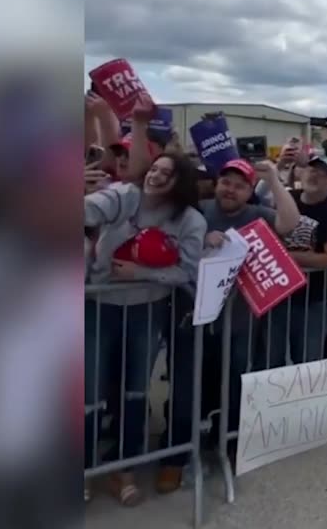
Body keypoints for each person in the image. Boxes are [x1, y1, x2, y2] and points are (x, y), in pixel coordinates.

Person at [155, 158, 296, 493]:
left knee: (234, 388)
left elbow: (290, 223)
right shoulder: (198, 212)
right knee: (187, 390)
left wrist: (274, 179)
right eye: (226, 182)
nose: (231, 189)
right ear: (216, 185)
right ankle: (175, 458)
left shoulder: (257, 217)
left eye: (240, 185)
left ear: (250, 192)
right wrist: (203, 241)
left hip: (238, 324)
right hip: (191, 321)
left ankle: (230, 447)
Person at [84, 153, 206, 507]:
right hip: (97, 307)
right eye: (153, 169)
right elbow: (93, 207)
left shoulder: (190, 220)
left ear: (179, 182)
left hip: (147, 310)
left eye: (166, 174)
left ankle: (125, 470)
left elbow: (187, 271)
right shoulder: (125, 195)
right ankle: (83, 469)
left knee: (136, 392)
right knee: (88, 395)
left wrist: (142, 273)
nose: (155, 176)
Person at [268, 144, 327, 369]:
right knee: (271, 357)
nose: (315, 175)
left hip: (314, 301)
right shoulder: (288, 199)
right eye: (312, 169)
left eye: (323, 174)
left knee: (305, 360)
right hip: (278, 295)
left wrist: (285, 256)